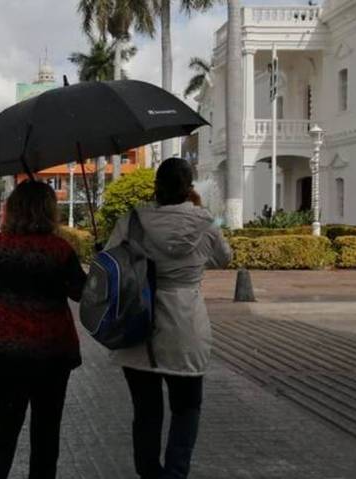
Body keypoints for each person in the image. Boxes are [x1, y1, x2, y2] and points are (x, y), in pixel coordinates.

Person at [105, 158, 232, 479]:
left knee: (146, 414)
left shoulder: (132, 220)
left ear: (156, 187)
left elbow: (109, 261)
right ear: (189, 188)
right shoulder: (205, 221)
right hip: (186, 328)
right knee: (186, 409)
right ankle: (175, 474)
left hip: (138, 328)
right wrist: (202, 213)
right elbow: (224, 258)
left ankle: (149, 474)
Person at [0, 180, 87, 479]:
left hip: (2, 352)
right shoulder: (60, 249)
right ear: (49, 210)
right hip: (51, 353)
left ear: (14, 210)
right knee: (46, 436)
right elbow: (80, 292)